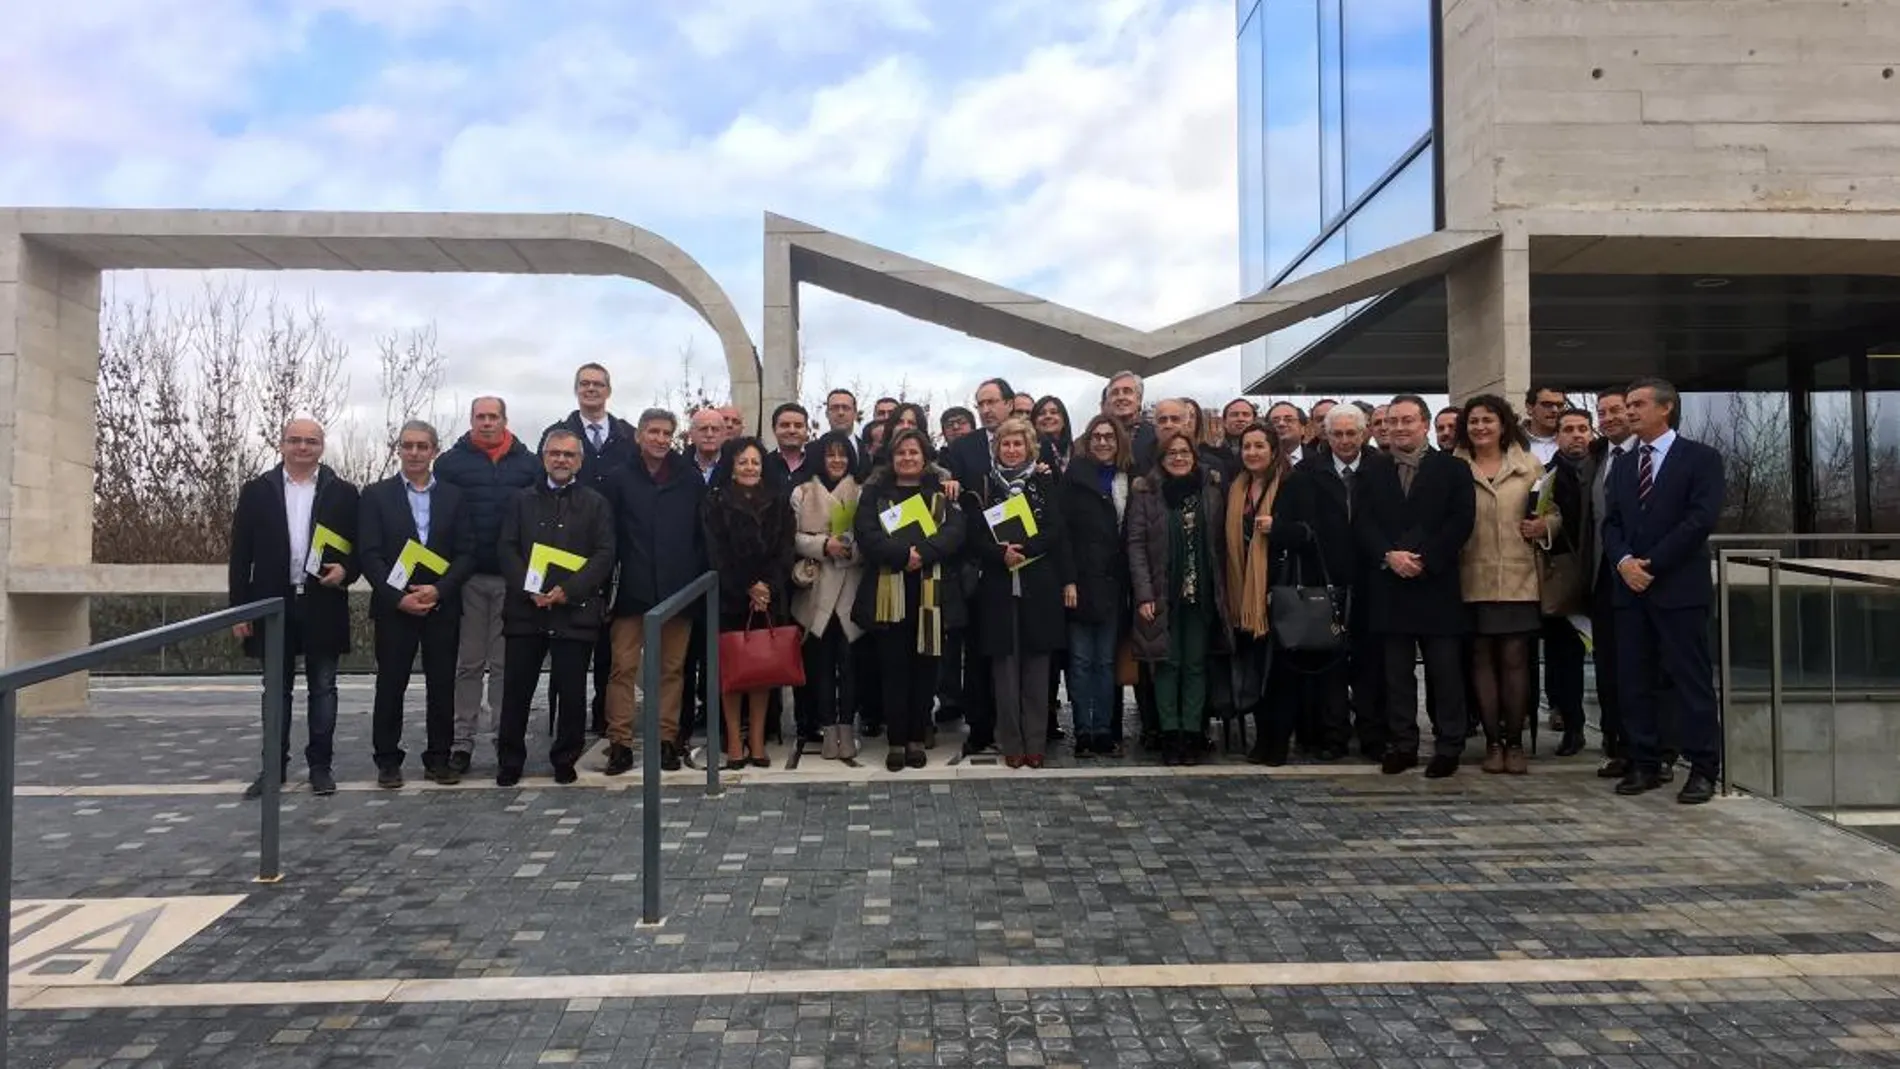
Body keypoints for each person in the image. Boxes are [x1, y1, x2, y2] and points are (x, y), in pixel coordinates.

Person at [1604, 377, 1725, 804]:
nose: (1628, 412)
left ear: (1666, 408)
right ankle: (1645, 761)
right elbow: (1612, 522)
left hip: (1677, 588)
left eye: (1637, 404)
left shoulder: (1701, 458)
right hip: (1630, 591)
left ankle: (1703, 767)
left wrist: (1650, 564)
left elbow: (1699, 520)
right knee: (1634, 679)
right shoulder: (1622, 464)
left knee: (1688, 680)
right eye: (1627, 405)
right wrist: (1623, 563)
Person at [230, 417, 360, 799]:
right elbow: (240, 556)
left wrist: (348, 571)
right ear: (282, 444)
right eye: (295, 441)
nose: (303, 448)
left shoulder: (344, 492)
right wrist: (240, 610)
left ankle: (321, 767)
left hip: (324, 601)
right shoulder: (256, 491)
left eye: (311, 441)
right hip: (273, 603)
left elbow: (361, 547)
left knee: (323, 688)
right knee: (276, 691)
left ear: (322, 446)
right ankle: (274, 769)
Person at [1357, 395, 1475, 778]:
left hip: (1436, 584)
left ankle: (1448, 744)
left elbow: (1460, 522)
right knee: (1396, 674)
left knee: (1445, 673)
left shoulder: (1452, 469)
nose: (1400, 427)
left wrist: (1423, 560)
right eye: (1393, 421)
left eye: (1408, 420)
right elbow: (1362, 522)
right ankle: (1403, 743)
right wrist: (1389, 556)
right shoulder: (1372, 470)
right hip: (1390, 584)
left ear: (1424, 424)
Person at [357, 420, 476, 788]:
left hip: (441, 606)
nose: (414, 453)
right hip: (396, 608)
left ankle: (439, 758)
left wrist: (439, 590)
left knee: (442, 685)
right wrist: (399, 598)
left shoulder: (455, 497)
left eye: (422, 446)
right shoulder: (376, 495)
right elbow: (369, 553)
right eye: (408, 446)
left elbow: (467, 552)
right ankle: (388, 760)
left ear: (434, 452)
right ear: (398, 449)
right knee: (391, 684)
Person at [495, 429, 615, 787]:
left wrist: (569, 589)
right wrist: (529, 587)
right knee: (517, 690)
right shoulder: (521, 500)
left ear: (579, 460)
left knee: (572, 691)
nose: (561, 460)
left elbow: (605, 554)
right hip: (526, 610)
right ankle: (510, 760)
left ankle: (566, 757)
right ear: (543, 457)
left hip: (573, 610)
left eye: (568, 454)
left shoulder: (596, 503)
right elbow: (507, 547)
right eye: (554, 453)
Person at [435, 396, 540, 776]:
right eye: (480, 417)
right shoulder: (450, 464)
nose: (486, 423)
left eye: (493, 417)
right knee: (468, 664)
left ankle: (503, 737)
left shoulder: (528, 464)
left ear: (505, 420)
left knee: (503, 666)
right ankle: (462, 741)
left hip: (513, 580)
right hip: (469, 578)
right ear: (471, 420)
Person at [854, 429, 968, 771]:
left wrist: (924, 554)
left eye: (914, 453)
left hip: (931, 592)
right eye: (901, 452)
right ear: (892, 458)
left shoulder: (942, 491)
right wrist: (905, 555)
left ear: (925, 457)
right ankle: (897, 740)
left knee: (925, 670)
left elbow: (956, 532)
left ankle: (918, 736)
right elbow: (866, 533)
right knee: (893, 669)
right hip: (890, 590)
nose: (907, 458)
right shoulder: (874, 493)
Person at [1275, 403, 1383, 763]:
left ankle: (1372, 734)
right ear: (1324, 435)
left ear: (1365, 433)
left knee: (1371, 663)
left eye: (1352, 433)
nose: (1345, 440)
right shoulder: (1306, 473)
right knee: (1331, 664)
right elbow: (1285, 525)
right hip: (1324, 583)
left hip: (1372, 580)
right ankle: (1333, 735)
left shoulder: (1381, 469)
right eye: (1337, 433)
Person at [603, 408, 707, 775]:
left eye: (666, 433)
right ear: (639, 435)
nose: (660, 439)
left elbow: (700, 535)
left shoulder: (690, 480)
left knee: (672, 670)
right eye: (653, 432)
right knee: (623, 669)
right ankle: (619, 742)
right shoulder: (618, 479)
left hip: (678, 591)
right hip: (632, 591)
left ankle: (666, 739)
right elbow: (608, 535)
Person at [965, 417, 1072, 769]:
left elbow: (1057, 528)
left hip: (1038, 583)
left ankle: (1035, 742)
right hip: (998, 586)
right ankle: (1011, 742)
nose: (1012, 450)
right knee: (1004, 671)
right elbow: (975, 536)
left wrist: (1026, 548)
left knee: (1037, 670)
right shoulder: (985, 487)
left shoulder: (1044, 481)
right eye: (1006, 445)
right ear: (997, 448)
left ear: (1029, 448)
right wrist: (1001, 554)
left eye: (1018, 444)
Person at [1127, 431, 1232, 766]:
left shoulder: (1211, 490)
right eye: (1171, 452)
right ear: (1161, 458)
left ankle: (1192, 732)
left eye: (1184, 452)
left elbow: (1221, 543)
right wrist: (1144, 593)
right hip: (1162, 594)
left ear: (1194, 455)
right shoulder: (1147, 492)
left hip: (1201, 593)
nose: (1178, 457)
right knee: (1167, 664)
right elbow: (1136, 546)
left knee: (1196, 665)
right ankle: (1170, 733)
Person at [543, 363, 637, 738]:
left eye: (598, 384)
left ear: (609, 390)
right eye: (585, 384)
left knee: (608, 643)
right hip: (566, 548)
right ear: (576, 389)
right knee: (566, 641)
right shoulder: (557, 434)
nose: (591, 390)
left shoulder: (626, 436)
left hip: (612, 549)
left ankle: (603, 715)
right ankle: (565, 720)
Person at [1453, 395, 1545, 775]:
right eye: (1473, 421)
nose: (1480, 427)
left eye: (1487, 420)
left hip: (1519, 576)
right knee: (1480, 660)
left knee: (1514, 659)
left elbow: (1552, 514)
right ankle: (1491, 742)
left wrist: (1545, 527)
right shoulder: (1453, 467)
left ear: (1503, 424)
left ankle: (1515, 742)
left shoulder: (1530, 466)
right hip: (1469, 576)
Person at [703, 437, 797, 769]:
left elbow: (786, 549)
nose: (749, 467)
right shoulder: (715, 503)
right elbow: (716, 552)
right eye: (743, 461)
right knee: (733, 670)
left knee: (761, 671)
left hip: (769, 598)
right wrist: (746, 586)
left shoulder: (779, 502)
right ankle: (733, 741)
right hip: (731, 598)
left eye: (755, 462)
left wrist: (767, 586)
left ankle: (757, 740)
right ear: (731, 466)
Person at [1061, 414, 1133, 758]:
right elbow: (1065, 535)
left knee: (1105, 662)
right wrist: (1069, 578)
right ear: (1088, 442)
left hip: (1114, 583)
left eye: (1109, 437)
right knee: (1080, 661)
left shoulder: (1128, 478)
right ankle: (1084, 731)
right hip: (1082, 580)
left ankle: (1104, 729)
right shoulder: (1074, 478)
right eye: (1096, 437)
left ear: (1119, 442)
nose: (1103, 442)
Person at [792, 432, 866, 761]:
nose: (837, 461)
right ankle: (825, 727)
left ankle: (848, 726)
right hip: (816, 588)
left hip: (851, 585)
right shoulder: (802, 492)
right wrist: (823, 545)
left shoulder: (863, 492)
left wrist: (848, 549)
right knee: (819, 664)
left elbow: (873, 536)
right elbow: (790, 536)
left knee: (850, 665)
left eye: (843, 455)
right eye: (830, 455)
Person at [1224, 422, 1294, 762]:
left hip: (1278, 593)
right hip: (1244, 596)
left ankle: (1277, 741)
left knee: (1278, 673)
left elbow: (1311, 534)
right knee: (1253, 668)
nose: (1251, 452)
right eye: (1246, 446)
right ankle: (1261, 736)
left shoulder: (1292, 485)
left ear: (1273, 449)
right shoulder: (1237, 488)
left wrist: (1278, 528)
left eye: (1259, 446)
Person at [1586, 388, 1636, 776]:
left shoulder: (1649, 456)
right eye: (1601, 413)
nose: (1608, 418)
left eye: (1616, 410)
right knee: (1609, 666)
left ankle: (1656, 751)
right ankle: (1617, 742)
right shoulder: (1599, 457)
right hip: (1602, 576)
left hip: (1642, 576)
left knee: (1646, 667)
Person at [1541, 408, 1595, 757]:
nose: (1576, 435)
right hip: (1562, 578)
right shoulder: (1545, 477)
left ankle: (1618, 731)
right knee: (1564, 659)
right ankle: (1572, 726)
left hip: (1604, 575)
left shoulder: (1608, 469)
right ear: (1557, 436)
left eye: (1582, 429)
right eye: (1568, 429)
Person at [1102, 370, 1158, 470]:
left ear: (1139, 400)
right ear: (1108, 401)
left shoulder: (1156, 436)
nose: (1121, 397)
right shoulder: (1097, 437)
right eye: (1115, 393)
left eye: (1127, 391)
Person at [765, 402, 814, 486]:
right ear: (774, 429)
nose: (792, 430)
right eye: (785, 425)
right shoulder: (764, 465)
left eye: (798, 426)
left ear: (806, 430)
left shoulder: (818, 464)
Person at [1524, 387, 1567, 464]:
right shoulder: (1511, 442)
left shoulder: (1576, 442)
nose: (1555, 410)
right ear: (1530, 408)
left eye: (1560, 405)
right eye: (1547, 404)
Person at [1032, 395, 1074, 473]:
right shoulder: (1029, 454)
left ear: (1064, 420)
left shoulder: (1077, 452)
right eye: (1041, 413)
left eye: (1054, 412)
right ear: (1034, 422)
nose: (1048, 416)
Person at [688, 407, 727, 483]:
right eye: (703, 429)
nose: (709, 434)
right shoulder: (677, 471)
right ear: (691, 434)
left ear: (723, 435)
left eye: (715, 429)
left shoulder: (734, 469)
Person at [1266, 402, 1308, 466]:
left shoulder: (1319, 462)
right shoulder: (1257, 461)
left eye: (1289, 420)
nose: (1281, 424)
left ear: (1302, 429)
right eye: (1275, 421)